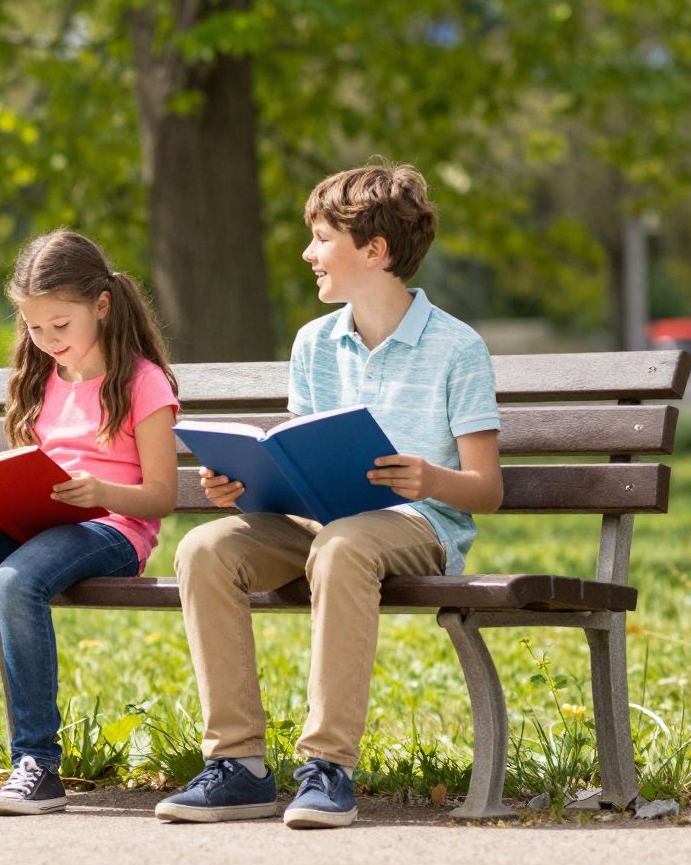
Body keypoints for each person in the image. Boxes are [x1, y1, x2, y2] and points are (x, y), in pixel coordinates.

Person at [157, 162, 501, 830]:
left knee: (344, 544)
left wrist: (428, 479)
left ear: (373, 251)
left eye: (320, 238)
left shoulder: (458, 349)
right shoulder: (315, 344)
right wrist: (247, 485)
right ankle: (238, 768)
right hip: (321, 520)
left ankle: (328, 767)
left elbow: (485, 490)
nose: (308, 253)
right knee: (205, 547)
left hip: (416, 525)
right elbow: (299, 459)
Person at [0, 230, 180, 816]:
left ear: (101, 305)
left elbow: (162, 497)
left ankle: (38, 764)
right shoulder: (38, 378)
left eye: (60, 325)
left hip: (113, 528)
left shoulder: (142, 381)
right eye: (35, 329)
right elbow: (16, 488)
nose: (48, 341)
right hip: (38, 525)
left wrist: (101, 491)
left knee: (15, 582)